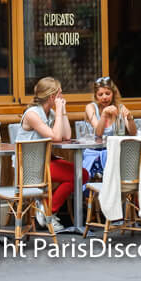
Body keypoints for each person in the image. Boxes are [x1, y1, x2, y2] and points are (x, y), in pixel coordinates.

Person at [16, 76, 89, 233]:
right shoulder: (32, 114)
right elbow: (55, 137)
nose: (62, 97)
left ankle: (46, 208)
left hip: (44, 162)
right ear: (52, 96)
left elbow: (67, 136)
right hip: (29, 166)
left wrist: (62, 112)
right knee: (77, 175)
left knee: (81, 174)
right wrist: (59, 112)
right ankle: (47, 211)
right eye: (60, 94)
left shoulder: (49, 114)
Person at [82, 76, 137, 179]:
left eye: (108, 93)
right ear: (96, 96)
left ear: (113, 94)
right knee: (112, 157)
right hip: (94, 152)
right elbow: (98, 133)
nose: (104, 97)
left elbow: (133, 133)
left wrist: (129, 118)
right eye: (100, 94)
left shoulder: (119, 107)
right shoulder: (91, 107)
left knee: (127, 157)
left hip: (114, 151)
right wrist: (104, 114)